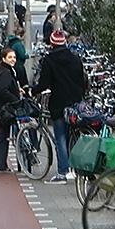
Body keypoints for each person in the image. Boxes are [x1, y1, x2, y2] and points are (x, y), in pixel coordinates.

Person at [33, 30, 86, 183]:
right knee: (72, 136)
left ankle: (62, 172)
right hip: (75, 103)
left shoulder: (49, 60)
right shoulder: (75, 59)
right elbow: (82, 81)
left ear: (52, 44)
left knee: (60, 138)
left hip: (58, 104)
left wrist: (32, 90)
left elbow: (44, 84)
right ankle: (75, 170)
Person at [0, 47, 21, 172]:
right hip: (5, 109)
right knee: (3, 135)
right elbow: (3, 90)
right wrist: (16, 99)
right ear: (4, 58)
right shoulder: (5, 72)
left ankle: (1, 163)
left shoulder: (4, 70)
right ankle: (0, 164)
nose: (13, 60)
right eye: (10, 57)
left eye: (14, 57)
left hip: (2, 108)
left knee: (3, 135)